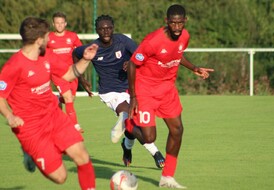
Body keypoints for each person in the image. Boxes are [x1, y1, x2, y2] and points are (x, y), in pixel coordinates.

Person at [0, 17, 98, 190]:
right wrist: (10, 115)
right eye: (46, 37)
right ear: (39, 40)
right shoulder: (14, 66)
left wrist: (86, 59)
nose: (49, 40)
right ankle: (29, 152)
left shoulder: (47, 56)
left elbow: (68, 74)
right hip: (31, 128)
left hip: (54, 116)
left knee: (82, 156)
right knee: (61, 177)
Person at [127, 4, 214, 188]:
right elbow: (133, 64)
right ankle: (127, 123)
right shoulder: (153, 41)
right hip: (146, 90)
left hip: (167, 89)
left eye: (179, 23)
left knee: (177, 130)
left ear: (185, 21)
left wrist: (194, 68)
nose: (176, 27)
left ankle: (167, 177)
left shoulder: (185, 36)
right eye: (173, 23)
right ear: (166, 21)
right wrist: (134, 97)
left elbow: (177, 54)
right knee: (149, 138)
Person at [72, 14, 165, 168]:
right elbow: (75, 53)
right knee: (131, 117)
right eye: (102, 29)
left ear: (113, 28)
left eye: (108, 28)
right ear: (97, 30)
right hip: (110, 92)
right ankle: (156, 153)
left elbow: (141, 55)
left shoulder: (122, 41)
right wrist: (80, 79)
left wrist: (131, 62)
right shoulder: (92, 48)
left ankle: (126, 147)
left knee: (131, 126)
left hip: (132, 88)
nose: (106, 31)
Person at [47, 11, 84, 133]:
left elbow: (80, 51)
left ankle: (58, 100)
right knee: (68, 98)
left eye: (62, 23)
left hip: (72, 72)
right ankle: (74, 126)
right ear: (53, 24)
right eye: (57, 23)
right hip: (57, 74)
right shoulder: (48, 38)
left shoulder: (73, 36)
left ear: (65, 23)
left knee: (70, 99)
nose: (59, 25)